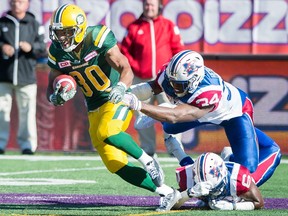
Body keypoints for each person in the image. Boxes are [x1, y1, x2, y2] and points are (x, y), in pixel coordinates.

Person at [46, 4, 180, 212]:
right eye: (58, 33)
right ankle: (166, 192)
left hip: (115, 96)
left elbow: (125, 67)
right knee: (113, 163)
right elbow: (50, 85)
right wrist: (56, 96)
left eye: (66, 32)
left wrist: (120, 86)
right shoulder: (57, 52)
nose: (62, 38)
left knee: (107, 131)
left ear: (79, 29)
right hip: (93, 108)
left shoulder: (97, 38)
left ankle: (148, 160)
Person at [122, 49, 282, 175]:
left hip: (235, 113)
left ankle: (230, 159)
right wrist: (124, 91)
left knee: (247, 171)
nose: (172, 88)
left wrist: (137, 104)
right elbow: (152, 87)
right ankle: (164, 112)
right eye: (172, 82)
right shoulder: (173, 74)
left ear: (194, 81)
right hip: (199, 110)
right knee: (168, 128)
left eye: (178, 85)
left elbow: (176, 116)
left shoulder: (208, 92)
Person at [121, 0, 184, 157]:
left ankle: (174, 148)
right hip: (141, 79)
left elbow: (179, 50)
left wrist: (171, 70)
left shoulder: (168, 25)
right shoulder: (134, 27)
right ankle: (148, 150)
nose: (149, 7)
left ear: (159, 7)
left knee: (172, 112)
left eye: (152, 4)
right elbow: (124, 52)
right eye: (147, 4)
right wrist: (136, 67)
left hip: (166, 80)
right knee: (142, 114)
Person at [0, 0, 47, 154]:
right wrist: (2, 47)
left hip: (26, 76)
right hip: (4, 76)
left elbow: (43, 48)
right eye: (13, 2)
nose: (16, 5)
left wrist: (30, 47)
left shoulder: (33, 23)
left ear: (27, 4)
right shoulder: (3, 22)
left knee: (27, 112)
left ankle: (27, 145)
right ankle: (0, 143)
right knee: (1, 111)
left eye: (20, 1)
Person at [174, 151, 273, 210]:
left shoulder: (237, 178)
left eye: (214, 186)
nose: (211, 191)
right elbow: (172, 202)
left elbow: (259, 203)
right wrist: (188, 193)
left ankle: (229, 155)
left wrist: (232, 206)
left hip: (237, 166)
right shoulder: (188, 177)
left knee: (274, 151)